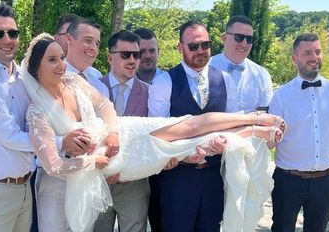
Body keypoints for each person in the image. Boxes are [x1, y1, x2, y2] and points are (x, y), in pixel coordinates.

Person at [22, 33, 285, 232]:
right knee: (186, 146)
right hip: (105, 167)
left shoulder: (73, 80)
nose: (61, 66)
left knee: (188, 126)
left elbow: (103, 104)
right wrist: (96, 161)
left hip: (125, 134)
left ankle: (253, 122)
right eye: (52, 60)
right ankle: (250, 131)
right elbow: (53, 165)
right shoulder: (36, 111)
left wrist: (113, 132)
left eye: (62, 58)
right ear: (36, 67)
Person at [0, 5, 79, 232]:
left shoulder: (21, 78)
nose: (7, 39)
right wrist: (63, 142)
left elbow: (35, 123)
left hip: (23, 187)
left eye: (13, 33)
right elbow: (10, 136)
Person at [148, 20, 237, 232]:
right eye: (193, 46)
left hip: (214, 177)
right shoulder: (164, 82)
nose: (201, 50)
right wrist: (183, 155)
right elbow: (157, 134)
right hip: (178, 178)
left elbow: (233, 125)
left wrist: (226, 143)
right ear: (180, 47)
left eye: (205, 45)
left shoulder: (225, 80)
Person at [268, 33, 329, 232]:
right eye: (307, 53)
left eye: (318, 51)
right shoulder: (281, 95)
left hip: (325, 181)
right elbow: (270, 138)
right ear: (294, 58)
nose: (314, 57)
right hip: (288, 180)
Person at [94, 30, 150, 232]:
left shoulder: (149, 92)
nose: (132, 60)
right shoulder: (92, 88)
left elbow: (150, 137)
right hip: (97, 180)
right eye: (125, 54)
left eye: (136, 55)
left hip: (133, 182)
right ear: (110, 57)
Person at [132, 27, 165, 232]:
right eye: (141, 52)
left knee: (160, 219)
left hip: (162, 166)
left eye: (151, 50)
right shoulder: (122, 80)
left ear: (158, 51)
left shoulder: (170, 82)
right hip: (131, 166)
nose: (147, 56)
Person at [210, 15, 274, 113]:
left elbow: (263, 115)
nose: (244, 44)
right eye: (239, 37)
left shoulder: (262, 75)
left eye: (249, 39)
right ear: (224, 38)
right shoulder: (205, 68)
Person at [64, 17, 107, 96]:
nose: (94, 48)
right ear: (69, 39)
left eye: (97, 44)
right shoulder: (52, 74)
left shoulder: (99, 81)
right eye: (88, 40)